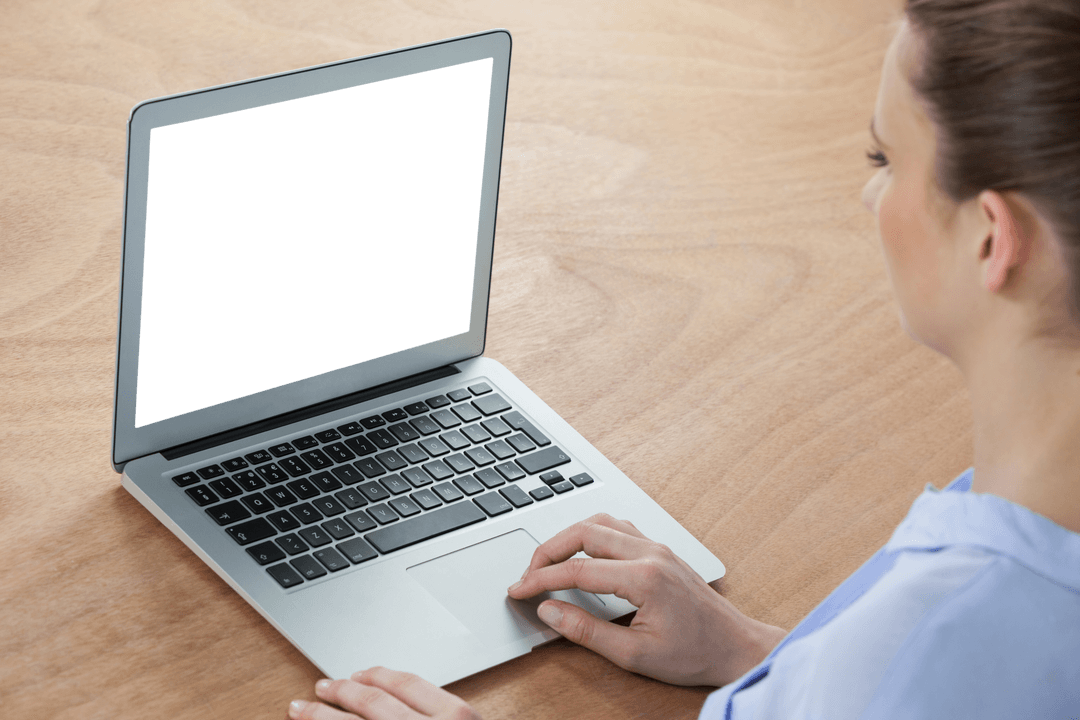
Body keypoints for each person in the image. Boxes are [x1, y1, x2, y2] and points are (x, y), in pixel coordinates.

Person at [287, 0, 1080, 717]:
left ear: (990, 238)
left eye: (885, 161)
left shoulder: (926, 646)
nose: (870, 197)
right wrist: (770, 659)